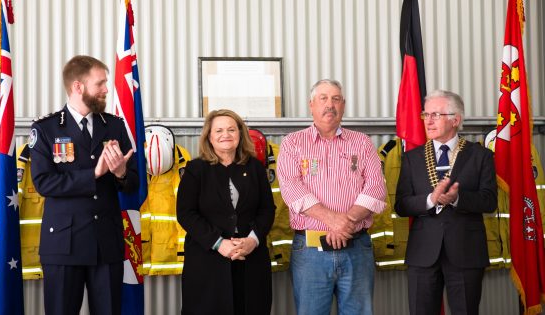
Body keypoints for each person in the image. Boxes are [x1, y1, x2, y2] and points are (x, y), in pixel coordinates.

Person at [29, 55, 138, 315]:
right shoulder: (46, 129)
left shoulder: (114, 125)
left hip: (106, 243)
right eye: (100, 83)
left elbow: (133, 184)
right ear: (78, 86)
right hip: (64, 246)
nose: (106, 89)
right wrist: (95, 173)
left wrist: (122, 173)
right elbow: (44, 183)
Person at [277, 79, 387, 315]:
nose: (330, 104)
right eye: (323, 98)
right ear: (311, 105)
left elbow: (376, 189)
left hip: (356, 247)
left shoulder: (362, 143)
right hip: (310, 251)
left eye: (336, 99)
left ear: (343, 105)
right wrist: (334, 220)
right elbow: (291, 188)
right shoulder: (292, 143)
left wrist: (344, 223)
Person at [395, 89, 497, 315]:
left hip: (466, 251)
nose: (428, 121)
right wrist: (430, 200)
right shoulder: (412, 158)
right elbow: (401, 205)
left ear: (455, 120)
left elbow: (489, 201)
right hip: (423, 253)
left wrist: (458, 198)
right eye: (425, 115)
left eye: (436, 115)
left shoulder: (481, 156)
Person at [176, 109, 275, 315]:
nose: (226, 134)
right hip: (208, 262)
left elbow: (267, 209)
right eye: (219, 130)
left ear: (240, 134)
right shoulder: (196, 169)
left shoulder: (255, 168)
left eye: (231, 129)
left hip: (250, 259)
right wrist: (219, 243)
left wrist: (253, 240)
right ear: (209, 137)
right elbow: (186, 213)